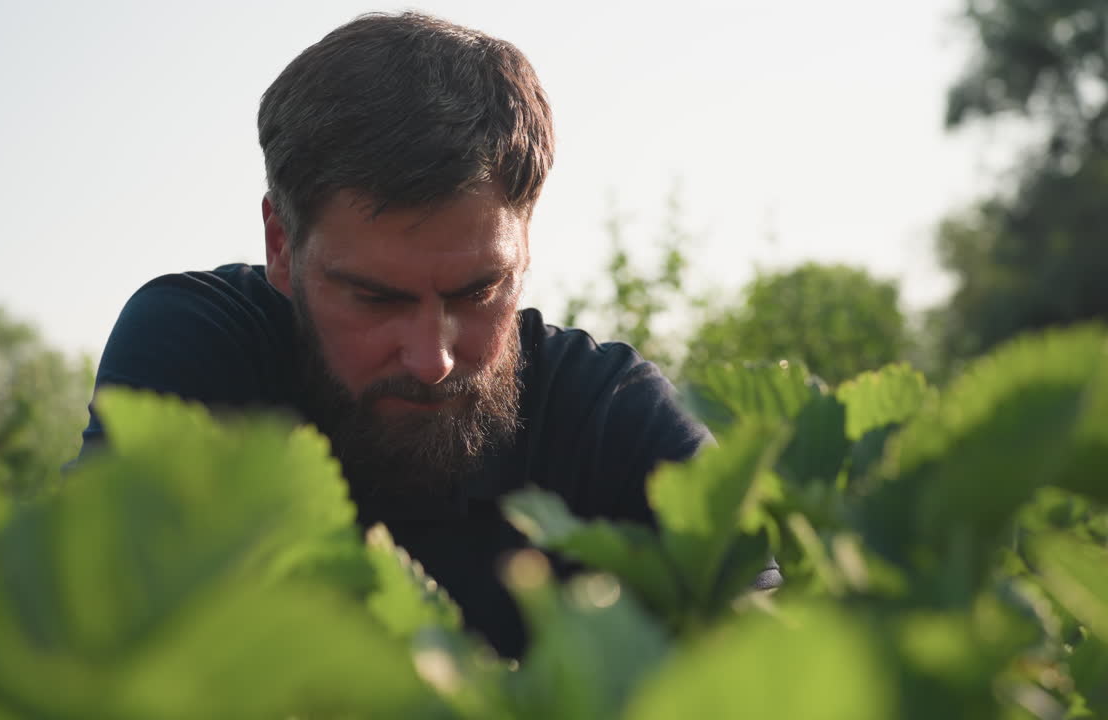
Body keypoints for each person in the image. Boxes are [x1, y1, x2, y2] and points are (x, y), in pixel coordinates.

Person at [80, 11, 778, 658]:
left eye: (477, 292)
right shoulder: (202, 347)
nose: (433, 359)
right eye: (375, 298)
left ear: (526, 246)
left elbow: (776, 666)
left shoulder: (608, 415)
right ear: (282, 246)